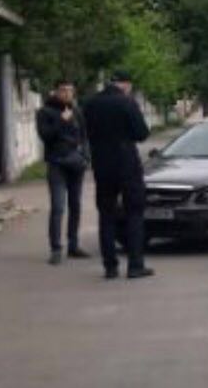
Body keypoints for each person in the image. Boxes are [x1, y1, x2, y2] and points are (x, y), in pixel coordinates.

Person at [82, 70, 152, 280]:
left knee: (106, 214)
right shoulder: (126, 102)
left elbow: (86, 131)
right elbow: (142, 133)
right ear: (126, 84)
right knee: (134, 212)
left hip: (102, 164)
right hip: (127, 164)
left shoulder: (91, 104)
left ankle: (110, 267)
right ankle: (135, 265)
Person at [35, 80, 90, 265]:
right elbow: (46, 136)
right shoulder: (45, 112)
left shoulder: (77, 111)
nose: (67, 94)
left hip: (76, 163)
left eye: (70, 91)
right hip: (57, 163)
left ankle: (73, 245)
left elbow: (84, 135)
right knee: (58, 207)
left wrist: (86, 157)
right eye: (63, 91)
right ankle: (56, 248)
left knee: (76, 205)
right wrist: (61, 120)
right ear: (56, 92)